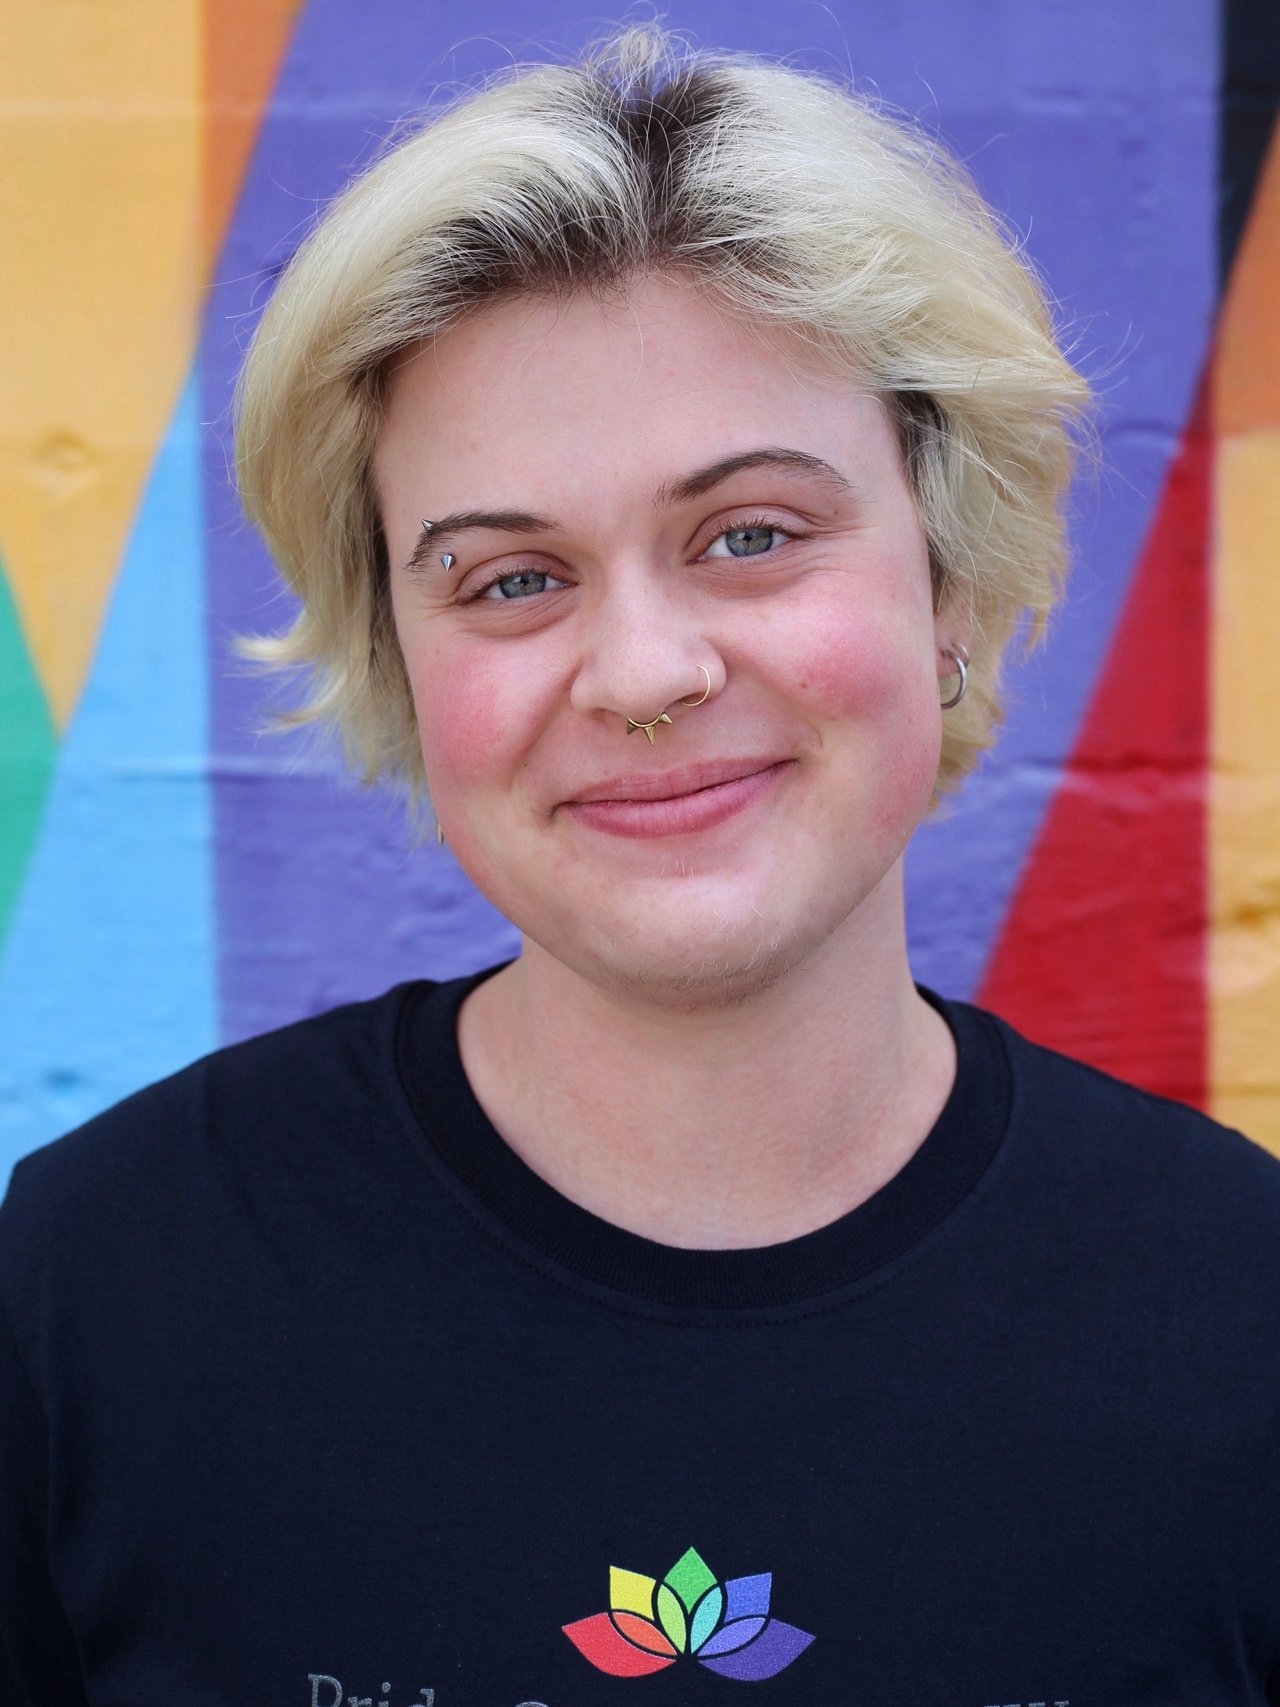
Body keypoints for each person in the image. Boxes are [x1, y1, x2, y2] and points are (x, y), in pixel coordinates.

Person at [3, 25, 1278, 1707]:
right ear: (400, 662)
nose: (642, 671)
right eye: (510, 579)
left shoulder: (1242, 1319)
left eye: (749, 536)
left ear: (952, 581)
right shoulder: (96, 1289)